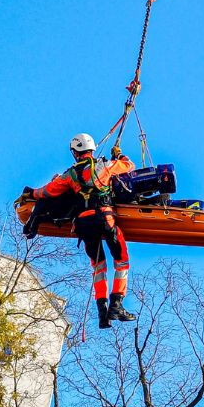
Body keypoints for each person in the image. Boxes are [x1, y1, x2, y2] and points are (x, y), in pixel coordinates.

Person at [21, 132, 136, 329]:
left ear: (75, 152)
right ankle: (116, 304)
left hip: (83, 223)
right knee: (121, 260)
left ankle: (102, 313)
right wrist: (119, 155)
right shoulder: (105, 166)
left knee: (98, 267)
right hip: (104, 219)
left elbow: (48, 191)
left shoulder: (69, 174)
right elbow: (129, 166)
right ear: (91, 149)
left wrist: (31, 193)